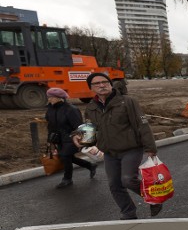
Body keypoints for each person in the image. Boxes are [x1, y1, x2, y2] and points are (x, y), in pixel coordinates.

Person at [74, 73, 161, 220]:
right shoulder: (91, 107)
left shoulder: (127, 102)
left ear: (110, 84)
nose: (102, 85)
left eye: (105, 82)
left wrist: (150, 148)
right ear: (91, 88)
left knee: (127, 179)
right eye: (97, 84)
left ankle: (154, 198)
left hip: (131, 148)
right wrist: (78, 136)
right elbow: (90, 129)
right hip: (109, 152)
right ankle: (128, 212)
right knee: (114, 184)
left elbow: (142, 125)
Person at [45, 88, 97, 188]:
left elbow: (78, 125)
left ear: (60, 98)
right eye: (49, 97)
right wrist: (50, 140)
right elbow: (50, 126)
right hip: (58, 138)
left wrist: (83, 140)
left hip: (71, 137)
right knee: (67, 157)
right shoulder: (50, 109)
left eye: (51, 97)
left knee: (64, 156)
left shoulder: (71, 109)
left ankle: (67, 179)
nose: (49, 99)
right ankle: (90, 165)